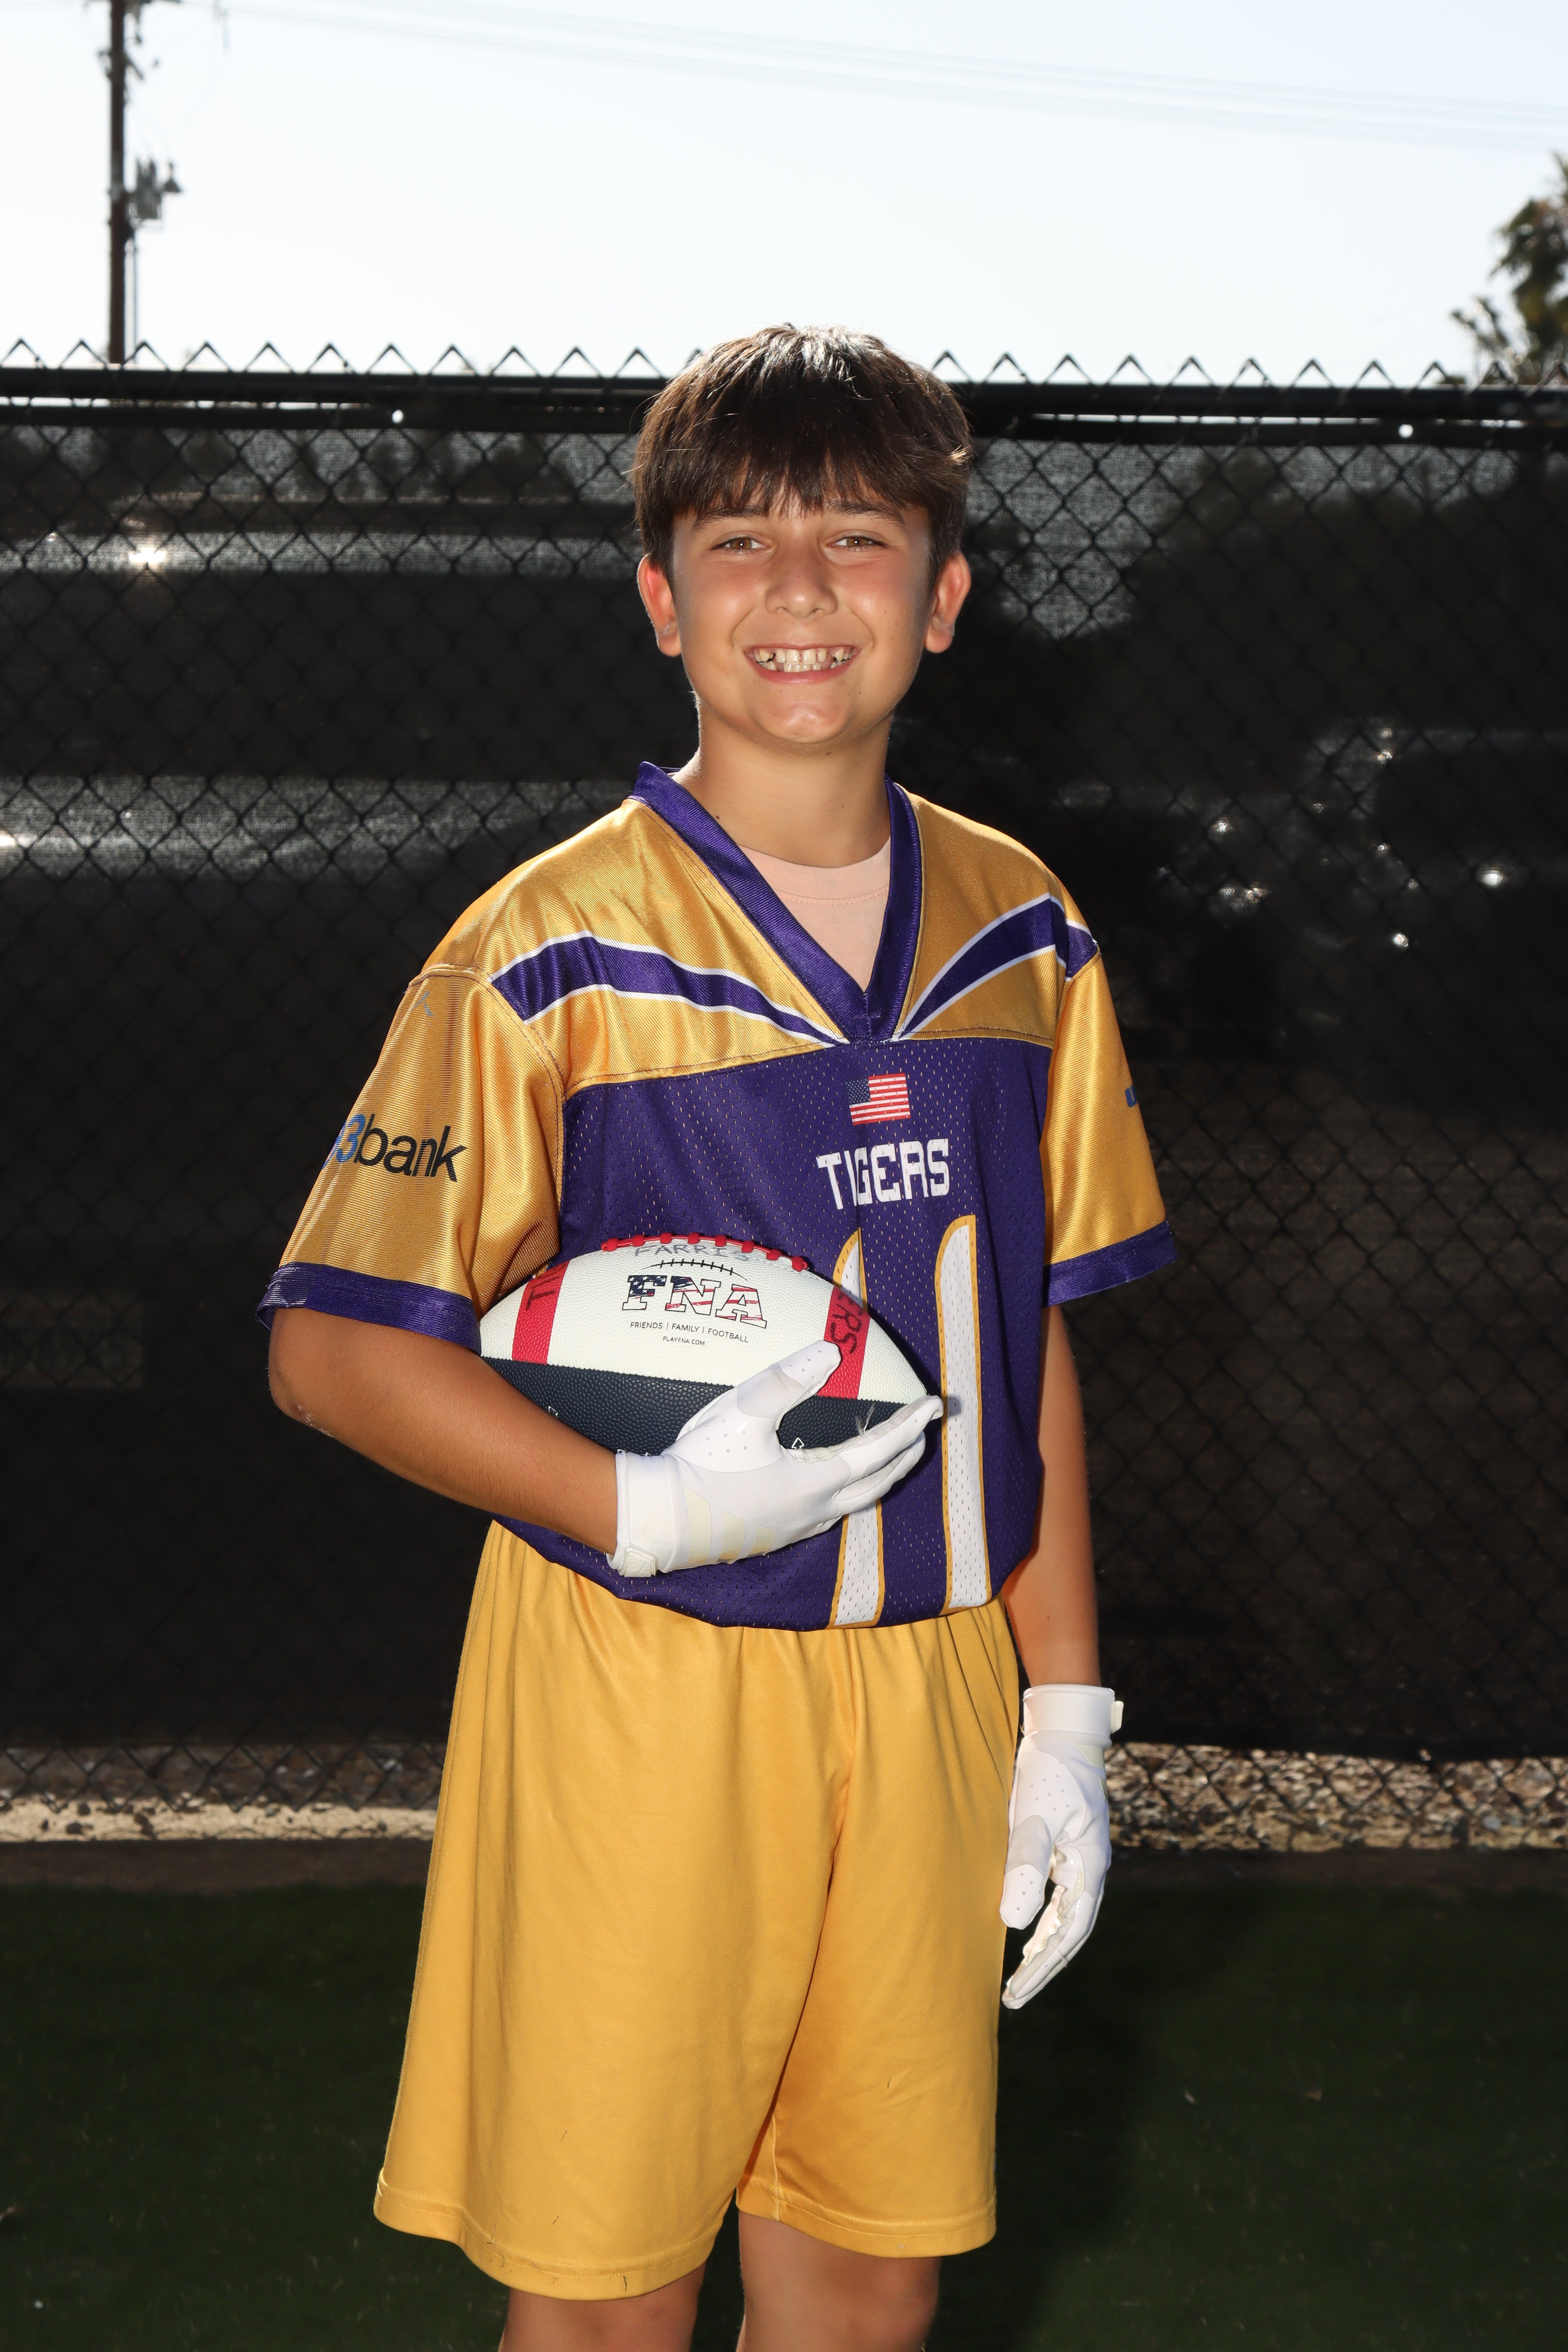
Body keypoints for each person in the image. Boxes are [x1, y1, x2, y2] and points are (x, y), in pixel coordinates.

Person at [263, 324, 1174, 2352]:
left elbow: (1018, 1336)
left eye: (856, 537)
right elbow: (333, 1351)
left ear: (944, 595)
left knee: (867, 2276)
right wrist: (649, 1505)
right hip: (640, 1666)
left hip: (933, 1673)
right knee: (609, 2291)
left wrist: (1066, 1712)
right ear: (660, 599)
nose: (799, 587)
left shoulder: (1024, 930)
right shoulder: (542, 947)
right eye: (739, 541)